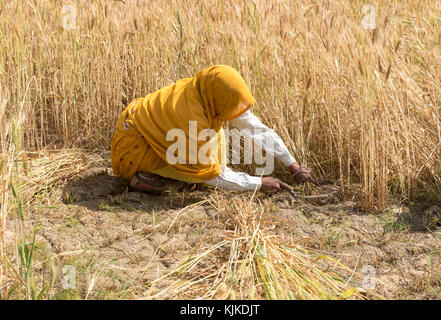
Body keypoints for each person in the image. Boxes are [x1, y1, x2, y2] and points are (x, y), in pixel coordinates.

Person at [111, 65, 318, 194]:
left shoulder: (205, 91)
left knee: (213, 143)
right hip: (135, 148)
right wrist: (257, 183)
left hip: (156, 132)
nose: (235, 112)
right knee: (199, 173)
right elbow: (211, 175)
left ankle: (181, 172)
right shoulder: (190, 120)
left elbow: (254, 128)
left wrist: (293, 165)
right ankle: (141, 176)